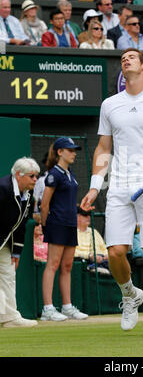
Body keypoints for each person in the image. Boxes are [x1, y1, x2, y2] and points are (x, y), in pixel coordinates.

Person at [80, 48, 143, 338]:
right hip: (119, 186)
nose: (126, 60)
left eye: (132, 57)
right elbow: (103, 147)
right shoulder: (110, 104)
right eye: (123, 58)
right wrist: (95, 185)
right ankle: (130, 295)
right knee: (115, 252)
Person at [40, 137, 88, 321]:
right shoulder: (54, 174)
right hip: (56, 224)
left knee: (67, 266)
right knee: (52, 265)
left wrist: (80, 209)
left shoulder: (70, 174)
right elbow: (44, 205)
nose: (74, 153)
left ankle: (67, 306)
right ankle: (47, 309)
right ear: (60, 152)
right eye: (70, 150)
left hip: (70, 224)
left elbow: (65, 201)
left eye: (74, 150)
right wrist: (46, 227)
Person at [0, 157, 40, 328]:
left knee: (8, 275)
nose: (35, 180)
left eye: (36, 176)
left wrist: (16, 251)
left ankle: (9, 318)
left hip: (4, 241)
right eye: (32, 176)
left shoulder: (28, 195)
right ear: (18, 175)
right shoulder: (2, 189)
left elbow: (22, 224)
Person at [75, 206, 110, 274]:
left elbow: (104, 248)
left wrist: (107, 255)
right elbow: (73, 252)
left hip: (102, 259)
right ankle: (95, 268)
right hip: (84, 260)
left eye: (89, 215)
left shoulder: (94, 232)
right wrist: (89, 256)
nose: (88, 217)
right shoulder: (72, 233)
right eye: (85, 215)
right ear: (77, 217)